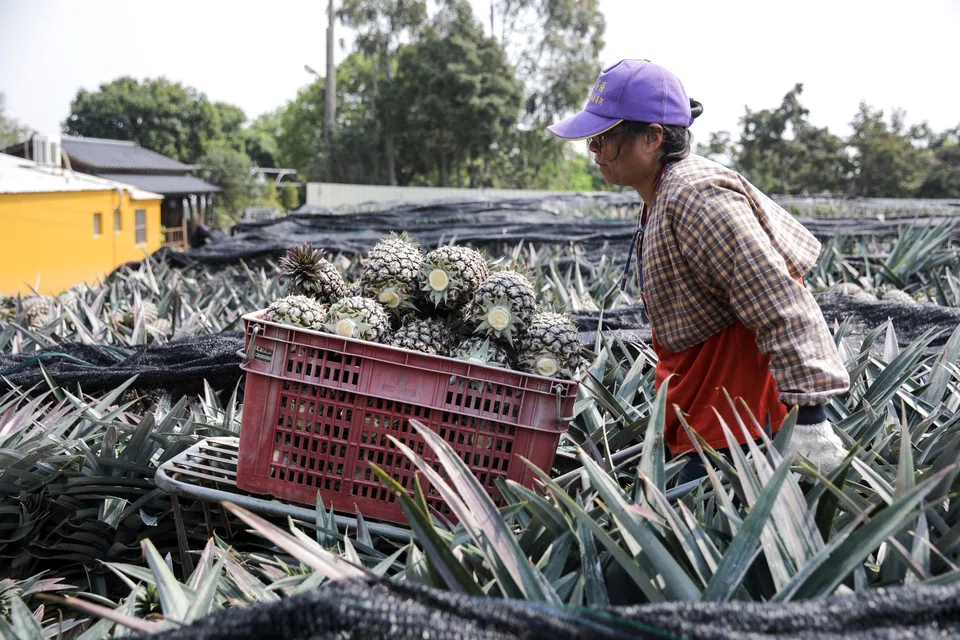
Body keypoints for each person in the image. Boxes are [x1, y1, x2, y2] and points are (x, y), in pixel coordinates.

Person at [547, 59, 851, 484]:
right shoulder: (663, 191)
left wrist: (811, 419)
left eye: (604, 137)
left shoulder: (696, 198)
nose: (593, 149)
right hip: (706, 412)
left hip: (741, 426)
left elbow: (780, 299)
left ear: (653, 137)